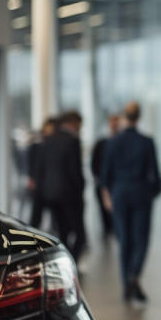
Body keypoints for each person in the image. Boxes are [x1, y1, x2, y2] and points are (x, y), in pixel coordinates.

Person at [100, 102, 160, 304]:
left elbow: (104, 176)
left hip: (119, 194)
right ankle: (134, 274)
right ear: (139, 116)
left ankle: (127, 284)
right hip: (141, 194)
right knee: (141, 238)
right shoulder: (146, 142)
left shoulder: (113, 142)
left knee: (124, 239)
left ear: (125, 116)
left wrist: (107, 197)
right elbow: (155, 176)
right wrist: (153, 193)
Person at [35, 111, 88, 263]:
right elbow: (75, 172)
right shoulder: (72, 141)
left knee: (62, 232)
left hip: (51, 194)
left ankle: (63, 261)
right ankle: (71, 262)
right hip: (69, 195)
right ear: (73, 123)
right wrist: (80, 191)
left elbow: (41, 169)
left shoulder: (48, 140)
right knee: (79, 234)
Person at [91, 114, 120, 239]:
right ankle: (107, 230)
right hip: (103, 183)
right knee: (104, 212)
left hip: (118, 184)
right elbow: (94, 163)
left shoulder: (122, 142)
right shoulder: (101, 143)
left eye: (116, 122)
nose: (114, 125)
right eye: (112, 122)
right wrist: (100, 180)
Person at [28, 117, 57, 229]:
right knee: (36, 215)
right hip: (38, 184)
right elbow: (32, 165)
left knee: (55, 216)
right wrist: (31, 179)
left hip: (50, 184)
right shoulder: (36, 146)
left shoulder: (55, 146)